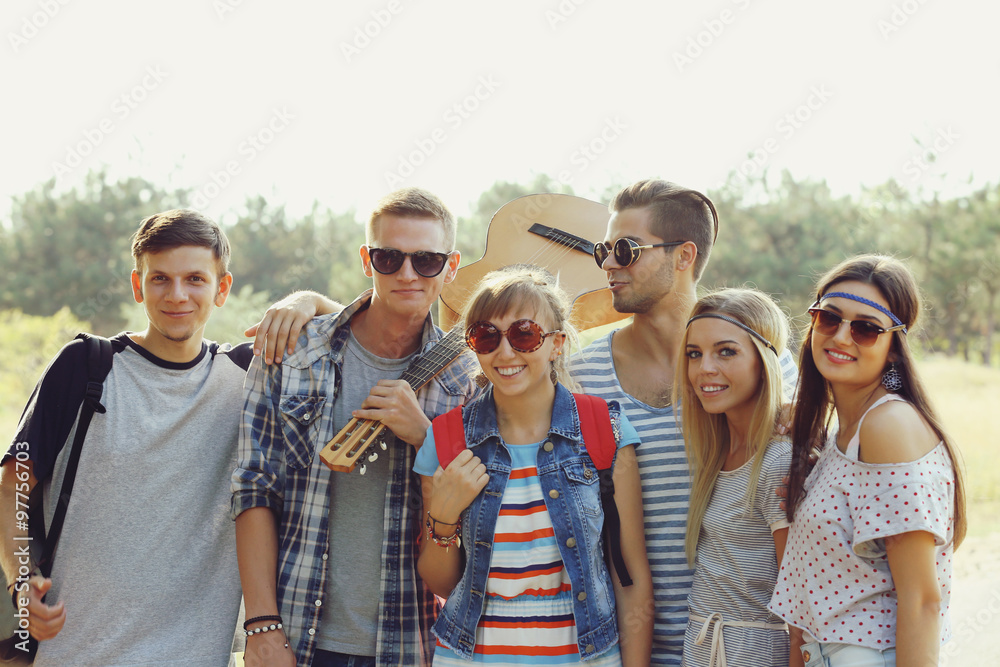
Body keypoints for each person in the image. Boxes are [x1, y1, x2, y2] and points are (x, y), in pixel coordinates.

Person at [0, 209, 327, 666]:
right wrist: (20, 582)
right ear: (138, 286)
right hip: (73, 652)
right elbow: (13, 487)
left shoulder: (246, 376)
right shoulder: (86, 366)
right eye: (160, 279)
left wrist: (305, 301)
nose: (177, 295)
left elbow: (352, 330)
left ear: (222, 289)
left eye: (195, 279)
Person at [233, 187, 480, 667]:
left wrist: (425, 436)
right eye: (389, 258)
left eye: (426, 261)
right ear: (367, 260)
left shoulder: (470, 379)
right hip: (297, 638)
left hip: (415, 646)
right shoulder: (294, 352)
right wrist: (262, 626)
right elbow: (254, 489)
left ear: (450, 268)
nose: (407, 274)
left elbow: (478, 516)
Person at [568, 179, 798, 665]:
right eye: (604, 250)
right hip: (626, 648)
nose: (609, 264)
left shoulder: (770, 369)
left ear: (684, 256)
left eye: (626, 249)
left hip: (744, 647)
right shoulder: (581, 377)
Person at [415, 264, 653, 665]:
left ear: (556, 343)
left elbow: (631, 576)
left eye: (524, 334)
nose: (505, 352)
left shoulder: (605, 431)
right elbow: (441, 581)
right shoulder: (446, 440)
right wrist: (442, 516)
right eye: (485, 336)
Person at [770, 254, 967, 667]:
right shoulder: (846, 432)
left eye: (866, 328)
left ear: (893, 348)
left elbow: (922, 600)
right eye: (829, 318)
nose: (842, 337)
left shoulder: (888, 427)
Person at [674, 288, 792, 667]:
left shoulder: (778, 461)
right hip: (704, 648)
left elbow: (800, 600)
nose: (704, 368)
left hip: (754, 654)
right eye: (695, 354)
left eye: (726, 351)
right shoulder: (716, 454)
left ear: (764, 360)